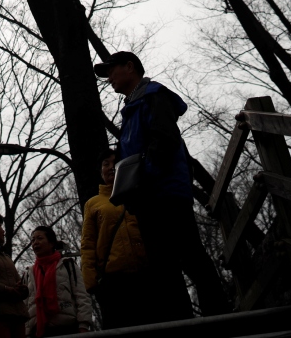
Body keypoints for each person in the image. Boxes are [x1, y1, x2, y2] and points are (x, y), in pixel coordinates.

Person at [94, 51, 229, 320]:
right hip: (146, 199)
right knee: (163, 266)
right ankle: (182, 324)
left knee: (190, 256)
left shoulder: (154, 96)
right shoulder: (131, 108)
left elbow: (164, 141)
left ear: (129, 67)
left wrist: (143, 177)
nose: (108, 78)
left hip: (165, 193)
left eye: (111, 70)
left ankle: (220, 318)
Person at [81, 147, 148, 328]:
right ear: (100, 171)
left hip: (144, 275)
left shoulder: (138, 193)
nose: (111, 167)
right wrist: (91, 282)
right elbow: (88, 244)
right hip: (113, 281)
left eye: (114, 162)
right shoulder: (93, 203)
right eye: (105, 164)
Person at [23, 226, 93, 337]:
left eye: (39, 238)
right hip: (38, 332)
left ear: (51, 243)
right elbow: (25, 305)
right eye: (33, 240)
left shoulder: (67, 265)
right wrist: (26, 332)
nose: (35, 243)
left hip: (67, 329)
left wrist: (84, 325)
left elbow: (82, 296)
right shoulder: (28, 273)